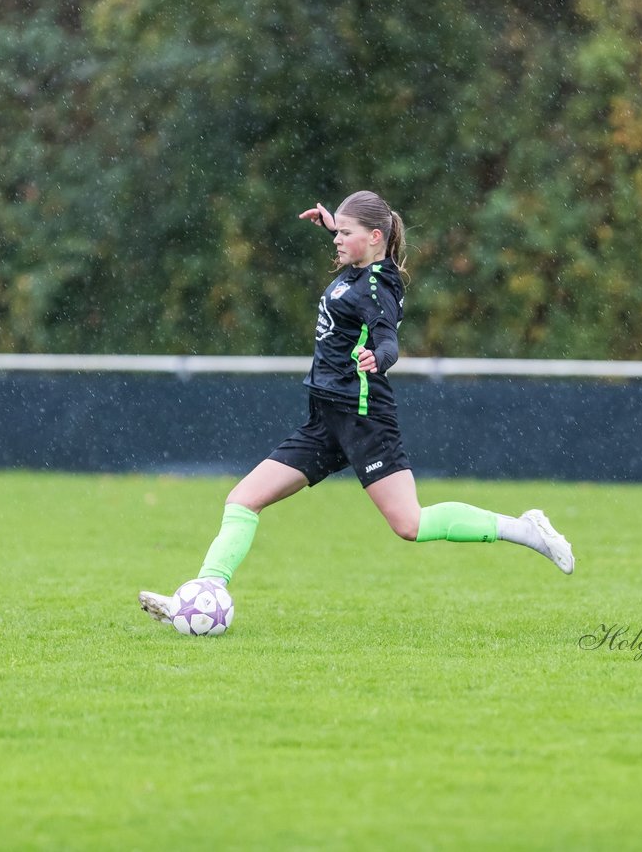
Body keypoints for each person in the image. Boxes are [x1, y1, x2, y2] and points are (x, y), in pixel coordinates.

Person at [139, 191, 574, 629]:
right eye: (337, 232)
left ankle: (525, 529)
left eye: (346, 234)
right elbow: (360, 259)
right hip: (325, 420)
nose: (337, 240)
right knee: (242, 500)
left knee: (410, 523)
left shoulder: (375, 284)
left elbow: (386, 335)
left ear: (375, 237)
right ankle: (204, 594)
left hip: (364, 418)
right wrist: (335, 226)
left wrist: (380, 357)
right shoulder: (359, 269)